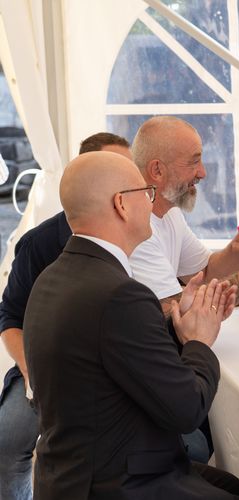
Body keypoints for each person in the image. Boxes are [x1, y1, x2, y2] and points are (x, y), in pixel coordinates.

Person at [23, 151, 239, 499]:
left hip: (71, 473)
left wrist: (176, 326)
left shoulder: (53, 277)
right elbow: (187, 410)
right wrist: (199, 341)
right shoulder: (119, 295)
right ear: (122, 205)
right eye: (147, 192)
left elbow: (111, 354)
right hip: (116, 482)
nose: (152, 203)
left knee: (233, 484)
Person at [0, 133, 133, 500]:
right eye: (116, 173)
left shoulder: (141, 235)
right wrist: (34, 373)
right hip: (45, 369)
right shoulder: (40, 243)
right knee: (7, 444)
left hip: (116, 371)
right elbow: (10, 317)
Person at [129, 115, 239, 311]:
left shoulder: (170, 214)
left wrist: (235, 250)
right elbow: (173, 312)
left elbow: (203, 272)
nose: (202, 172)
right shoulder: (136, 228)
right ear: (157, 170)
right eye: (194, 162)